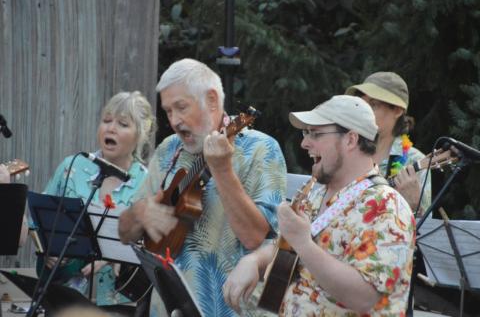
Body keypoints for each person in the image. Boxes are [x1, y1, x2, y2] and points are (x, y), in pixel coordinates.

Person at [118, 58, 287, 316]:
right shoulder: (168, 149)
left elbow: (254, 237)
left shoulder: (261, 149)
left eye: (181, 107)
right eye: (168, 111)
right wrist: (140, 212)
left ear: (211, 100)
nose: (174, 120)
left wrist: (222, 170)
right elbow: (124, 232)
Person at [223, 95, 415, 316]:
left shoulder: (387, 206)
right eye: (306, 133)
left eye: (316, 133)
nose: (304, 143)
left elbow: (364, 297)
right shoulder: (315, 191)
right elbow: (285, 247)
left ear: (351, 140)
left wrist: (304, 244)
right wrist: (254, 260)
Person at [36, 91, 156, 307]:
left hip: (117, 303)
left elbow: (154, 251)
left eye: (122, 124)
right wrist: (47, 250)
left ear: (140, 135)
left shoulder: (148, 185)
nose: (111, 128)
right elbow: (38, 219)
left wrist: (118, 254)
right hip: (62, 298)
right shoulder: (71, 167)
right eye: (106, 121)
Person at [346, 72, 431, 217]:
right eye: (362, 104)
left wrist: (413, 205)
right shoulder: (348, 149)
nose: (364, 111)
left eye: (373, 105)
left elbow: (425, 231)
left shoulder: (415, 160)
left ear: (397, 110)